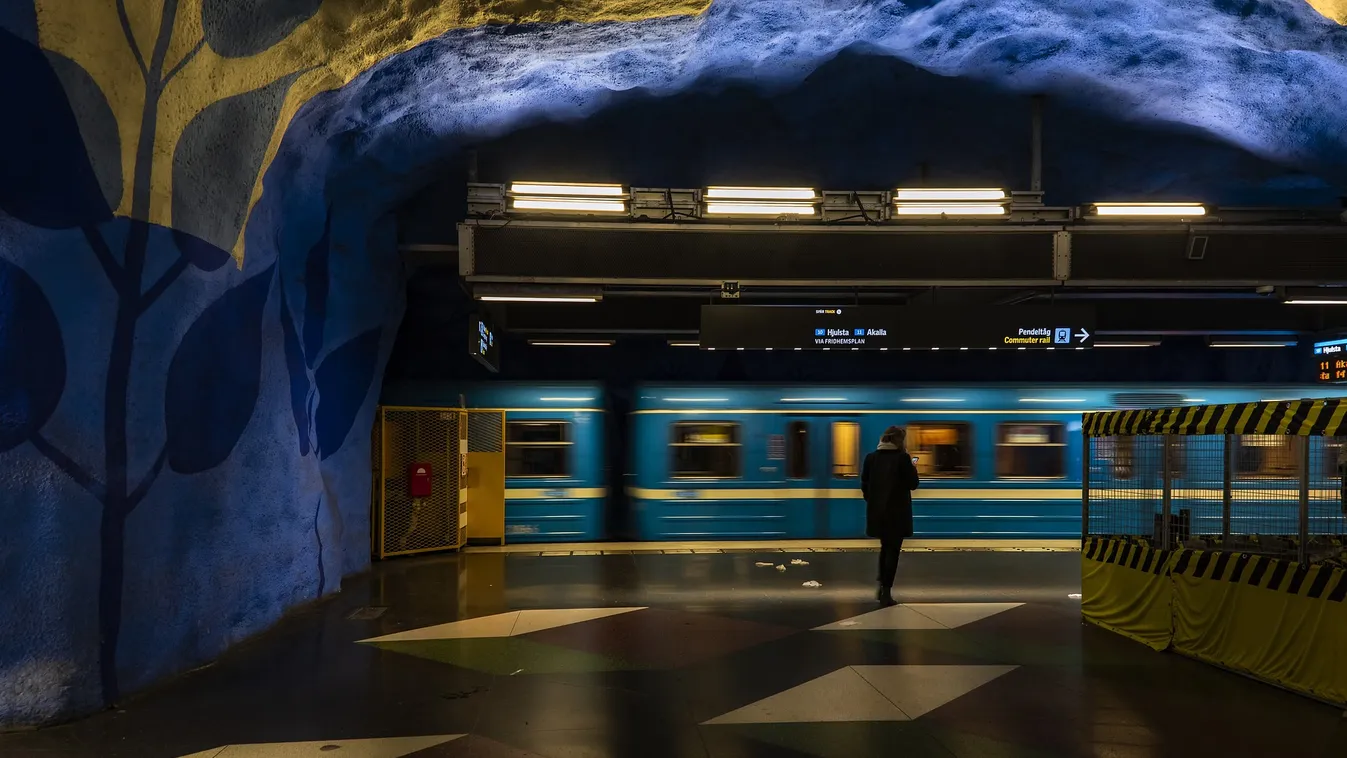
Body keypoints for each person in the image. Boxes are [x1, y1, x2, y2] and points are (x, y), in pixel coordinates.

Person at [861, 426, 920, 607]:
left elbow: (865, 485)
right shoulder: (903, 458)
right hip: (897, 514)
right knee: (892, 551)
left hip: (878, 514)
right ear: (899, 441)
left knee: (885, 548)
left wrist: (874, 503)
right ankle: (886, 592)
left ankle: (881, 586)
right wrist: (913, 466)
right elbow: (913, 484)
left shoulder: (871, 458)